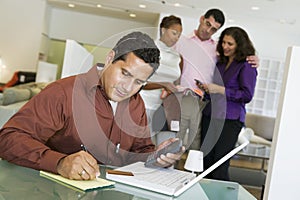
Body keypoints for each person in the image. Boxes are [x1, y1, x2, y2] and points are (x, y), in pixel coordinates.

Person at [0, 31, 184, 180]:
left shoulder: (136, 105)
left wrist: (155, 157)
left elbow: (138, 152)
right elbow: (8, 139)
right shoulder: (63, 93)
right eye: (125, 73)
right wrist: (60, 162)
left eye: (138, 82)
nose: (127, 88)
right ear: (110, 58)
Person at [174, 8, 259, 151]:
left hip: (204, 103)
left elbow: (239, 59)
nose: (208, 30)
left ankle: (191, 174)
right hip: (182, 99)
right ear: (202, 19)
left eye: (214, 29)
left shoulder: (217, 51)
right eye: (208, 24)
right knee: (174, 140)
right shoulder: (182, 42)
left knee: (197, 147)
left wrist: (255, 59)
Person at [199, 26, 257, 181]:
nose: (225, 46)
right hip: (210, 115)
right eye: (223, 42)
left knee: (219, 166)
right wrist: (206, 91)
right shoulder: (220, 63)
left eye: (230, 44)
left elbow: (247, 95)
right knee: (204, 163)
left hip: (230, 119)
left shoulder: (247, 65)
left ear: (240, 45)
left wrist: (219, 89)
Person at [140, 15, 182, 144]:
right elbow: (139, 82)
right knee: (141, 145)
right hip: (145, 103)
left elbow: (176, 83)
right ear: (163, 30)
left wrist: (176, 89)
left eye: (179, 35)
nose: (176, 38)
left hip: (165, 107)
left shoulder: (178, 57)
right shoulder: (149, 49)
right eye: (174, 33)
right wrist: (163, 85)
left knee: (163, 146)